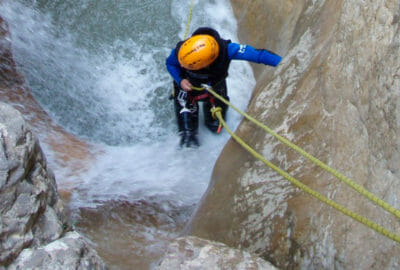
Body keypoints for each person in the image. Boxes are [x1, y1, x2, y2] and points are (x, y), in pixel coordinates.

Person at [166, 27, 282, 147]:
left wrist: (283, 62)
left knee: (216, 125)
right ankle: (189, 136)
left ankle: (211, 122)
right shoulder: (181, 51)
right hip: (187, 88)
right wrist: (180, 80)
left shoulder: (227, 50)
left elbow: (258, 55)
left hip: (215, 86)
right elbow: (170, 63)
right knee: (187, 135)